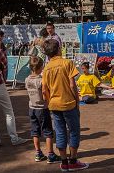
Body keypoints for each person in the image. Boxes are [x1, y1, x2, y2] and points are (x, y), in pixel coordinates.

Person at [42, 39, 89, 172]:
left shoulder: (46, 68)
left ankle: (64, 162)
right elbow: (72, 85)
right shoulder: (67, 63)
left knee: (60, 132)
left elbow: (44, 90)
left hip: (54, 105)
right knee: (74, 131)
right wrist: (77, 101)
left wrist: (50, 102)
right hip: (68, 104)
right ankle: (73, 161)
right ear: (59, 50)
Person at [25, 56, 61, 163]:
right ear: (41, 67)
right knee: (48, 132)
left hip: (32, 108)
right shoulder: (41, 80)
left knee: (35, 131)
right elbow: (45, 92)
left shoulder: (27, 79)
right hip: (42, 108)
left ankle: (38, 153)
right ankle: (51, 154)